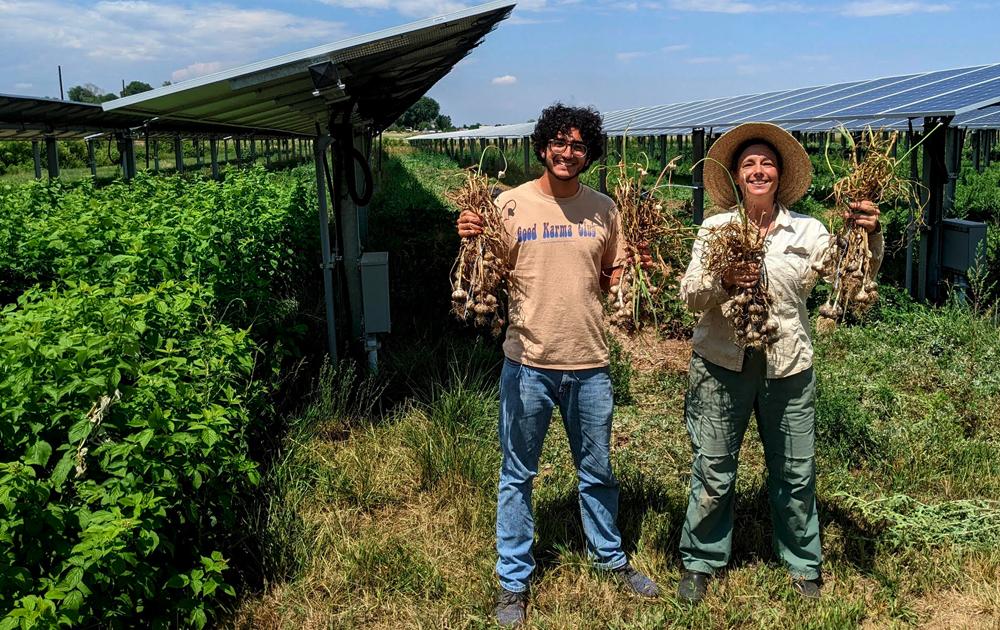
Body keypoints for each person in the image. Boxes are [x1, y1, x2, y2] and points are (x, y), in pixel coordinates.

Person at [456, 103, 659, 627]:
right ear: (543, 147)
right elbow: (488, 279)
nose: (568, 153)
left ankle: (610, 559)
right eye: (559, 144)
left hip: (590, 362)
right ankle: (513, 580)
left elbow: (614, 275)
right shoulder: (508, 205)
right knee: (517, 474)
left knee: (597, 472)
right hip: (527, 362)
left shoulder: (606, 210)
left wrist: (633, 274)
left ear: (588, 153)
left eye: (578, 145)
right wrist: (471, 242)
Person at [675, 122, 883, 603]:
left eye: (767, 162)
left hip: (786, 364)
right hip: (720, 364)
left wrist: (867, 238)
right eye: (748, 163)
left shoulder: (808, 230)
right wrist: (724, 278)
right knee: (713, 468)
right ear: (734, 177)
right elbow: (690, 296)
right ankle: (701, 560)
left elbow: (849, 279)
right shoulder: (714, 228)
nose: (758, 169)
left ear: (780, 174)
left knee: (795, 469)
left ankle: (801, 562)